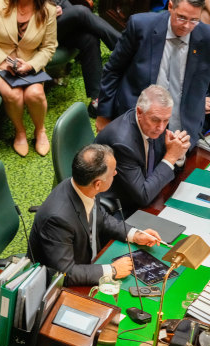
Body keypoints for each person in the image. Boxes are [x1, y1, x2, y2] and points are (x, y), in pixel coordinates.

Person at [28, 144, 162, 286]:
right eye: (112, 172)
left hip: (89, 260)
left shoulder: (85, 187)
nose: (115, 173)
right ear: (98, 184)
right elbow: (64, 274)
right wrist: (113, 270)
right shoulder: (57, 219)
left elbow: (101, 217)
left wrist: (134, 234)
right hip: (59, 284)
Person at [95, 0, 210, 147]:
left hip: (182, 128)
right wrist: (103, 115)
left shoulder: (206, 37)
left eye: (194, 20)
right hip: (137, 118)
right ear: (170, 6)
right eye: (181, 17)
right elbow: (113, 70)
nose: (186, 26)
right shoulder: (141, 26)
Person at [0, 0, 57, 157]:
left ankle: (40, 130)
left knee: (35, 94)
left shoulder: (48, 10)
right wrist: (4, 63)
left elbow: (49, 47)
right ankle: (20, 132)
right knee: (14, 94)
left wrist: (31, 65)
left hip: (29, 63)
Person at [95, 85, 190, 217]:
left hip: (147, 194)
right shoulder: (122, 143)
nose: (161, 127)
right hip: (117, 208)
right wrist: (171, 157)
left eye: (166, 120)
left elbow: (165, 168)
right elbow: (143, 197)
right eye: (156, 120)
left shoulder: (154, 122)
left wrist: (179, 154)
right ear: (139, 112)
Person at [53, 0, 120, 118]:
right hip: (35, 31)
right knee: (81, 11)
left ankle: (97, 100)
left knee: (89, 39)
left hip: (58, 22)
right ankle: (125, 46)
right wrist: (46, 13)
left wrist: (70, 15)